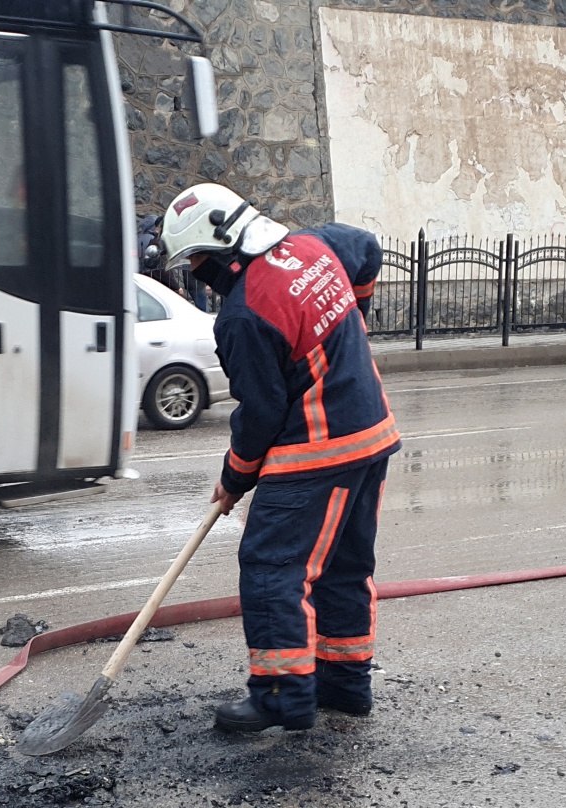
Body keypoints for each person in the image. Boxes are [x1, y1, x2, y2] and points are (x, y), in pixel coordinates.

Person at [157, 182, 399, 735]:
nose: (197, 272)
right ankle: (346, 685)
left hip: (316, 453)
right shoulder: (315, 248)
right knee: (343, 567)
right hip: (372, 435)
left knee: (272, 568)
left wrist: (233, 477)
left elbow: (262, 414)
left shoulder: (244, 316)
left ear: (222, 249)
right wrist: (354, 314)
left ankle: (279, 696)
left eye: (197, 261)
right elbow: (366, 247)